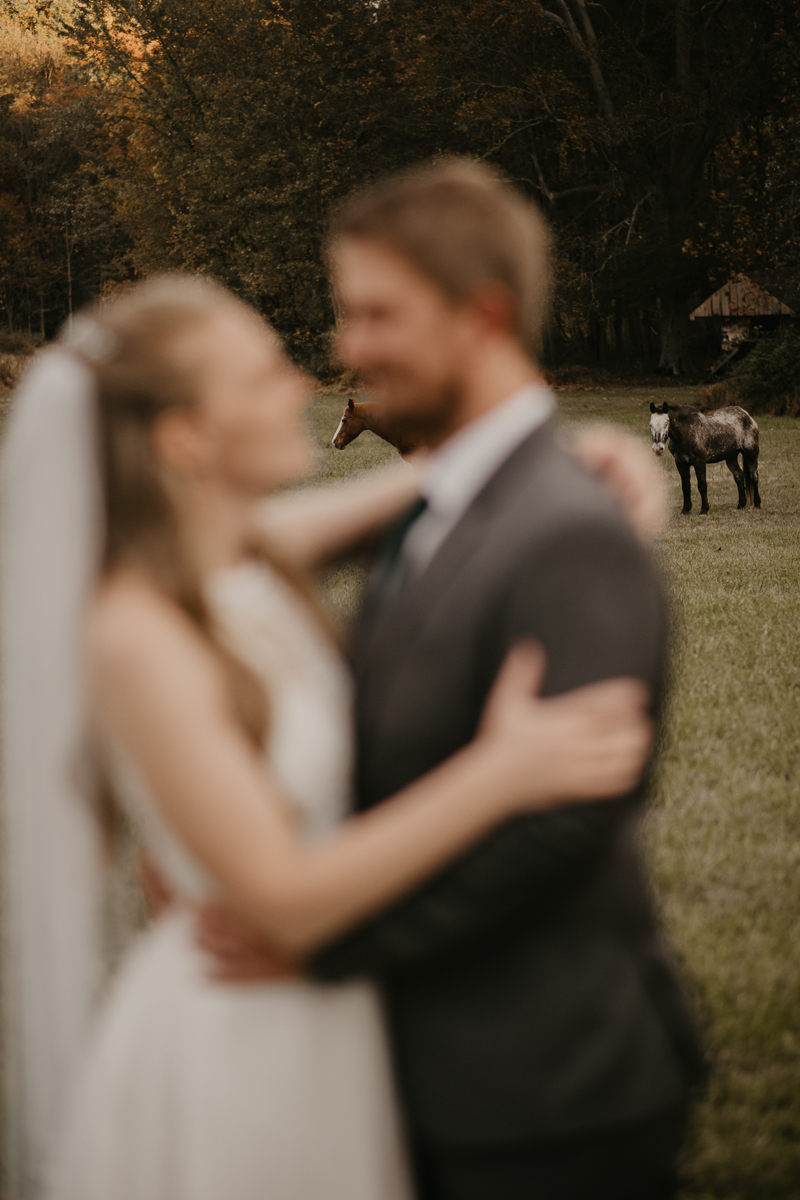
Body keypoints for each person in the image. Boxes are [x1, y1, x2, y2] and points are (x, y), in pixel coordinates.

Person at [0, 275, 656, 1200]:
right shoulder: (134, 632)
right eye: (263, 374)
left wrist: (567, 459)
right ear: (184, 437)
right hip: (241, 1046)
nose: (305, 384)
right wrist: (504, 770)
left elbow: (434, 479)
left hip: (337, 1018)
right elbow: (288, 901)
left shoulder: (237, 561)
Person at [199, 160, 703, 1200]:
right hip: (425, 1078)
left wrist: (321, 943)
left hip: (539, 1102)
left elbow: (559, 821)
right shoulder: (444, 500)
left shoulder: (569, 534)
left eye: (376, 314)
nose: (349, 347)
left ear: (479, 315)